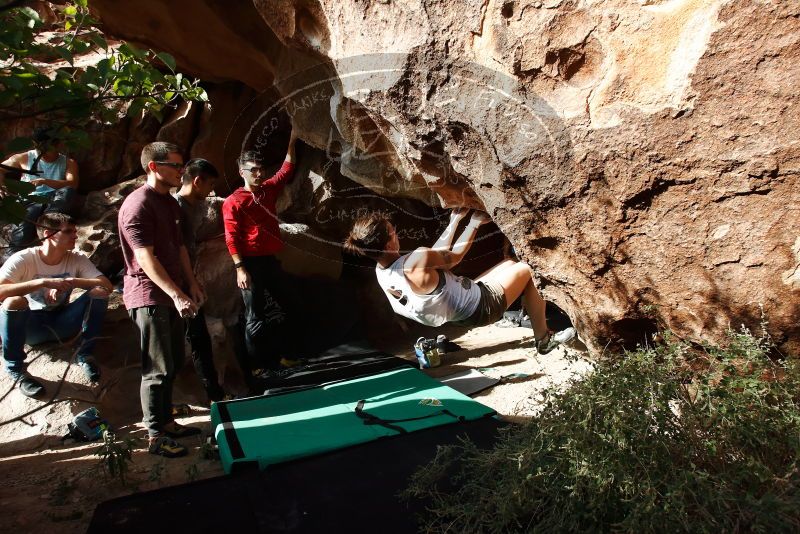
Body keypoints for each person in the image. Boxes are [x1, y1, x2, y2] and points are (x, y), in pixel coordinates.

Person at [343, 209, 576, 354]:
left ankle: (530, 312)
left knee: (510, 265)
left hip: (460, 313)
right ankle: (543, 338)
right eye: (393, 232)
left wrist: (455, 222)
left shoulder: (381, 269)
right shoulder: (414, 262)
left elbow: (432, 255)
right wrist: (473, 223)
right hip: (480, 307)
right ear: (387, 245)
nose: (397, 233)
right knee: (528, 269)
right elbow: (453, 257)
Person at [118, 141, 203, 458]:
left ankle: (167, 422)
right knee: (157, 368)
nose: (182, 171)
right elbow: (145, 258)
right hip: (148, 295)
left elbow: (179, 247)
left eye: (183, 165)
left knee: (173, 362)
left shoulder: (170, 204)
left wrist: (191, 284)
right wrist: (176, 293)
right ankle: (155, 435)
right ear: (154, 166)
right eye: (176, 165)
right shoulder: (137, 205)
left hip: (171, 294)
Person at [0, 212, 111, 397]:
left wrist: (70, 281)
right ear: (47, 234)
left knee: (99, 293)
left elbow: (105, 284)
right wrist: (42, 283)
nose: (75, 235)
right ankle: (16, 370)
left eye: (75, 231)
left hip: (62, 322)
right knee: (13, 301)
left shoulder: (75, 258)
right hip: (30, 327)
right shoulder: (24, 258)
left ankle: (85, 355)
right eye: (68, 232)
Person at [222, 130, 301, 375]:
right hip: (249, 265)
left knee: (290, 303)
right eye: (252, 169)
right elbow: (231, 237)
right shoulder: (234, 201)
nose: (258, 173)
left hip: (269, 261)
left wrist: (293, 139)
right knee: (255, 317)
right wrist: (239, 268)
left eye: (260, 169)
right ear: (241, 172)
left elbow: (286, 170)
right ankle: (258, 368)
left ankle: (287, 357)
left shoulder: (267, 190)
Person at [174, 158, 226, 402]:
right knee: (194, 340)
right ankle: (212, 395)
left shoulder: (193, 205)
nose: (211, 191)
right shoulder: (176, 207)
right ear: (197, 181)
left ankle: (213, 393)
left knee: (199, 338)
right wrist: (188, 284)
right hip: (176, 285)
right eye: (209, 185)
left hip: (188, 281)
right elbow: (177, 248)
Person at [0, 128, 79, 254]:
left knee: (68, 192)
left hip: (55, 201)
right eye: (40, 147)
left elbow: (73, 183)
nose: (43, 151)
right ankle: (11, 262)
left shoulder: (68, 162)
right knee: (21, 237)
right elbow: (1, 169)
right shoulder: (24, 158)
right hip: (31, 201)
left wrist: (44, 181)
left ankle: (47, 224)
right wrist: (2, 186)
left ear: (58, 145)